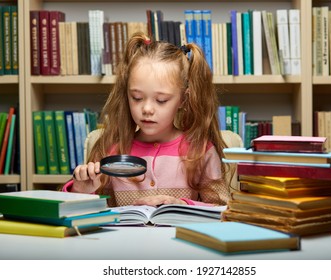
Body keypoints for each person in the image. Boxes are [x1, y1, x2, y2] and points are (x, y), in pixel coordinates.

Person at [62, 32, 230, 207]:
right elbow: (74, 213)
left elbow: (222, 209)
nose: (147, 109)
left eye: (161, 100)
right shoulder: (111, 149)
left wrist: (182, 205)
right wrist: (79, 191)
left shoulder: (201, 150)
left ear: (183, 100)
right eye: (136, 98)